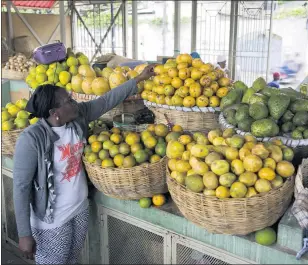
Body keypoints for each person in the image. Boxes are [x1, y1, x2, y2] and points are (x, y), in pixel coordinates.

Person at [13, 64, 156, 264]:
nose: (75, 101)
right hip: (52, 221)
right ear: (55, 112)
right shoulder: (31, 139)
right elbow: (21, 187)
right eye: (69, 100)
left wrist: (138, 79)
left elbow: (106, 100)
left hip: (79, 209)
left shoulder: (76, 117)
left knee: (72, 260)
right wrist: (24, 234)